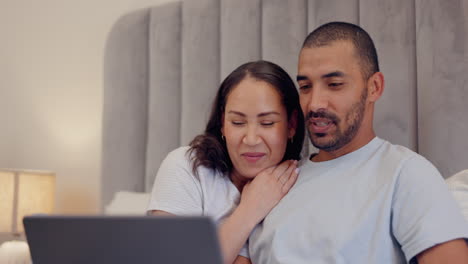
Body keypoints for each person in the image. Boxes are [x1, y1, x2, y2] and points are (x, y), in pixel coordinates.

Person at [249, 22, 468, 263]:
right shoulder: (275, 182)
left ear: (374, 87)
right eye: (305, 87)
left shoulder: (406, 174)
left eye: (334, 85)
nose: (315, 103)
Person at [147, 60, 305, 264]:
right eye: (238, 123)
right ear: (222, 123)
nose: (251, 139)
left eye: (267, 123)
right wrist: (250, 209)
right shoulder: (186, 167)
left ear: (291, 125)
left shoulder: (299, 185)